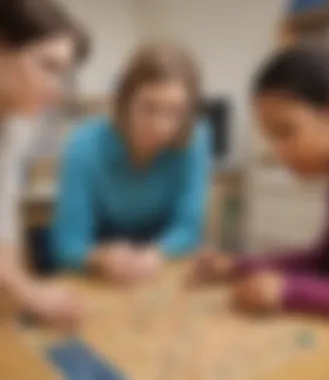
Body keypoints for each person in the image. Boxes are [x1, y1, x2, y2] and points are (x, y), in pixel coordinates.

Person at [191, 46, 329, 322]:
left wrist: (290, 293)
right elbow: (326, 260)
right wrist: (239, 266)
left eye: (285, 131)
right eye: (271, 138)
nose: (278, 153)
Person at [52, 43, 211, 285]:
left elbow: (189, 227)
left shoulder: (195, 139)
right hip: (100, 278)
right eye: (149, 108)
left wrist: (156, 254)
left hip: (164, 272)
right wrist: (100, 258)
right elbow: (67, 244)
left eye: (175, 112)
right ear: (125, 102)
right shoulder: (84, 145)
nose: (161, 126)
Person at [0, 0, 89, 328]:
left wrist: (23, 289)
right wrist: (30, 292)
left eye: (62, 74)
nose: (56, 92)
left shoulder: (15, 124)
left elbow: (2, 227)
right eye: (47, 67)